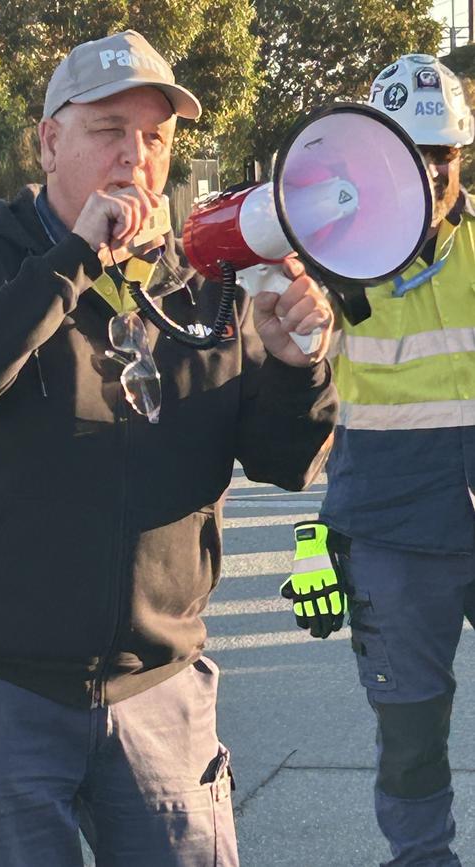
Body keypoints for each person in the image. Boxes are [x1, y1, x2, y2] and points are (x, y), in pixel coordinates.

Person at [0, 30, 336, 867]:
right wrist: (72, 260)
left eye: (156, 137)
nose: (134, 155)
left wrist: (297, 367)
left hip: (161, 693)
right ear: (49, 139)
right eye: (108, 129)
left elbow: (287, 459)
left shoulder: (204, 284)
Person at [288, 54, 474, 867]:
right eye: (414, 153)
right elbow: (296, 347)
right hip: (394, 533)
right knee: (411, 737)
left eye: (445, 155)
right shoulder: (334, 257)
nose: (431, 173)